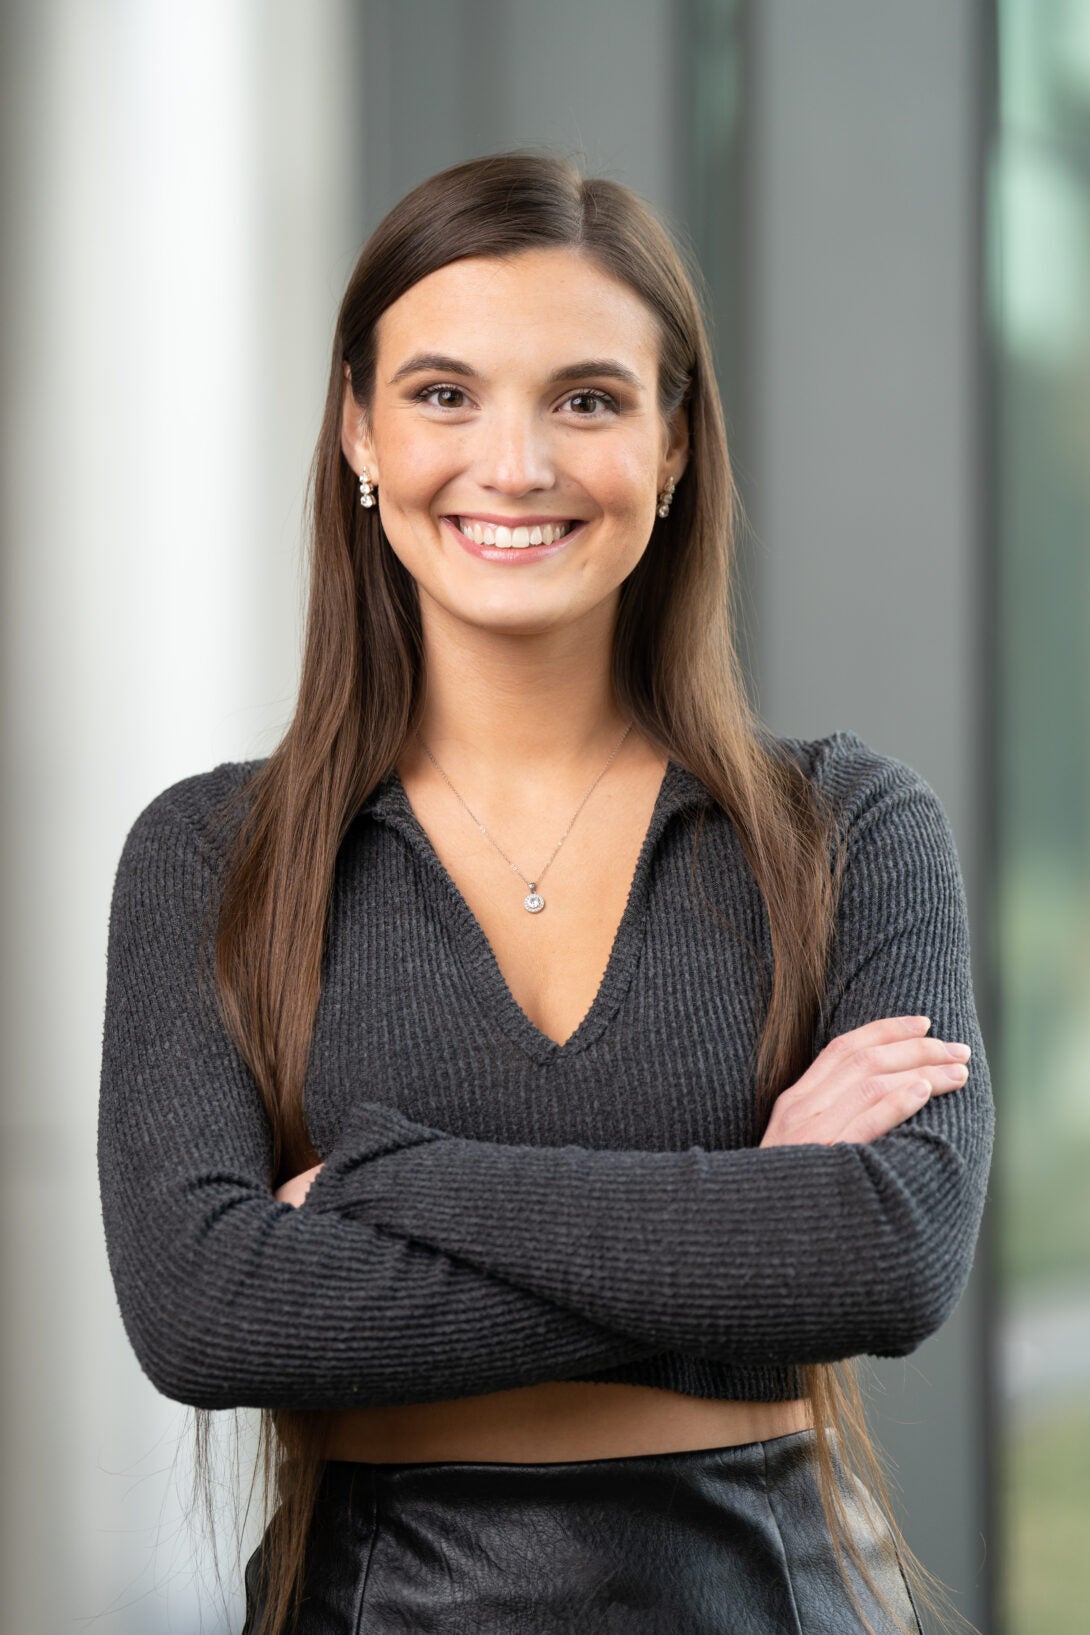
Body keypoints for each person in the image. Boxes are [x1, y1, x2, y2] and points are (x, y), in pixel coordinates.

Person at [97, 151, 993, 1635]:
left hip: (769, 1598)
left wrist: (389, 1182)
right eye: (445, 394)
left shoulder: (844, 824)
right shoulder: (213, 852)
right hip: (374, 1603)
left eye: (585, 399)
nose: (512, 465)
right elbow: (210, 1310)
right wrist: (751, 1216)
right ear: (357, 429)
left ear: (673, 445)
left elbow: (887, 1256)